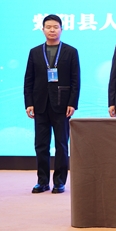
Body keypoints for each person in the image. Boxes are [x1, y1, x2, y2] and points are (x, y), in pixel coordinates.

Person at [24, 14, 80, 194]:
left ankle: (59, 182)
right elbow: (28, 79)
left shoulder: (71, 52)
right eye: (48, 27)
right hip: (40, 104)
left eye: (55, 27)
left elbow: (75, 80)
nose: (52, 30)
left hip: (62, 105)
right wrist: (29, 103)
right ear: (42, 30)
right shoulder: (34, 52)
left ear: (61, 29)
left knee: (61, 145)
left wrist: (72, 103)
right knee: (41, 145)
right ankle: (42, 181)